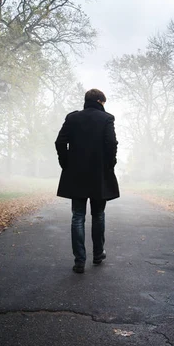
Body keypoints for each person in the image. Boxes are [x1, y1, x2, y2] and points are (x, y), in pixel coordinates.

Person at [55, 88, 120, 273]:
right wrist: (110, 164)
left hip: (76, 174)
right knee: (98, 215)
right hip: (99, 175)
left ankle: (79, 261)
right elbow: (112, 144)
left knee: (78, 216)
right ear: (100, 101)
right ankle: (98, 254)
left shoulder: (72, 118)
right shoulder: (107, 119)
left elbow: (60, 142)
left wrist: (65, 163)